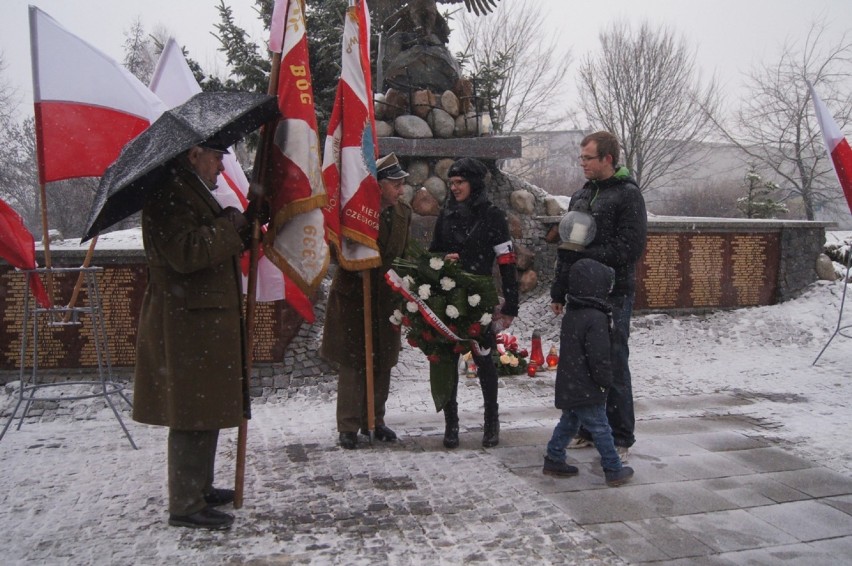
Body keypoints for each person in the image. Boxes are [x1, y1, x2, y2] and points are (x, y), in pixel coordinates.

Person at [133, 142, 253, 531]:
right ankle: (185, 504)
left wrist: (240, 220)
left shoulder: (188, 188)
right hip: (185, 323)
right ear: (193, 153)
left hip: (200, 321)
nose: (221, 165)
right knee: (190, 410)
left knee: (206, 406)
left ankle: (199, 487)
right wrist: (228, 225)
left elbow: (210, 237)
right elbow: (185, 252)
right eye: (216, 156)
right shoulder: (169, 195)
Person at [550, 131, 647, 462]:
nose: (583, 164)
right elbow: (569, 246)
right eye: (581, 158)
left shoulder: (628, 195)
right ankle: (589, 429)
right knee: (583, 365)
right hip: (580, 295)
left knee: (613, 362)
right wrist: (559, 289)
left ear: (607, 159)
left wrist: (589, 255)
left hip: (613, 293)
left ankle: (621, 435)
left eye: (588, 158)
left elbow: (630, 248)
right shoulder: (582, 195)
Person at [321, 153, 413, 450]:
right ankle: (348, 425)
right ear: (379, 185)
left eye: (402, 185)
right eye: (396, 184)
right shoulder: (353, 211)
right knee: (354, 361)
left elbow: (404, 253)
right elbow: (333, 249)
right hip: (354, 295)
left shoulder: (404, 212)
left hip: (386, 296)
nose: (401, 190)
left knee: (383, 359)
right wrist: (355, 261)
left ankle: (375, 418)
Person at [430, 157, 519, 449]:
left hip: (479, 298)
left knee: (484, 360)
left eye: (460, 182)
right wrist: (444, 260)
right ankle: (451, 423)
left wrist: (511, 304)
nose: (454, 188)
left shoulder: (493, 216)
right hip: (448, 296)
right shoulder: (446, 214)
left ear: (474, 183)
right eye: (451, 183)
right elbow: (433, 255)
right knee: (448, 360)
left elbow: (506, 260)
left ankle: (491, 422)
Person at [543, 258, 634, 487]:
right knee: (601, 427)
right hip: (588, 385)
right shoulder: (597, 318)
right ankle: (613, 468)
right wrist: (605, 380)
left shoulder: (573, 315)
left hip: (572, 382)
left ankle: (554, 457)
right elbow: (599, 356)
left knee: (569, 422)